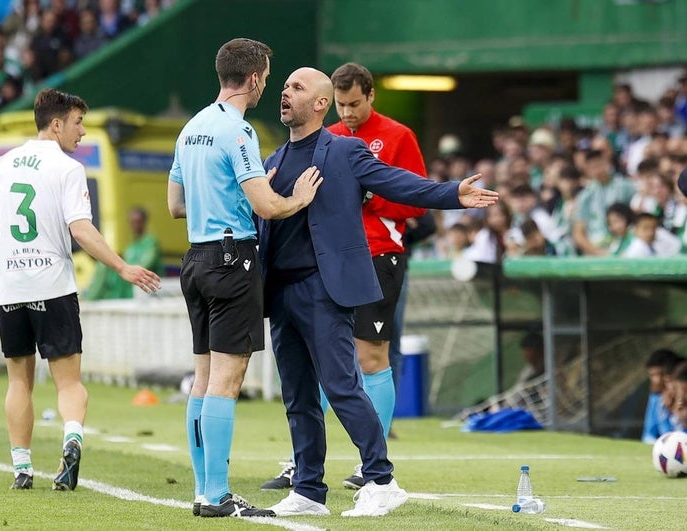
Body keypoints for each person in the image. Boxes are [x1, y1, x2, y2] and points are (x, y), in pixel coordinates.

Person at [260, 67, 498, 517]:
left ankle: (381, 479)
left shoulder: (346, 151)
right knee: (298, 396)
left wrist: (452, 193)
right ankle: (309, 488)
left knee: (342, 385)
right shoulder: (272, 159)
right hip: (282, 291)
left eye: (296, 87)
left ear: (320, 103)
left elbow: (398, 182)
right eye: (285, 86)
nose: (285, 93)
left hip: (323, 287)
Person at [166, 38, 322, 519]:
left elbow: (174, 205)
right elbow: (264, 203)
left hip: (195, 259)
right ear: (253, 78)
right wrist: (297, 198)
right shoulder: (239, 131)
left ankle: (201, 489)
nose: (268, 86)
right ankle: (216, 496)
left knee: (203, 379)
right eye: (268, 77)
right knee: (226, 382)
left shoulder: (191, 128)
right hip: (232, 260)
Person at [0, 88, 161, 491]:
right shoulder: (67, 168)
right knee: (69, 383)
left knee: (17, 381)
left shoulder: (2, 165)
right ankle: (72, 437)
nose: (81, 132)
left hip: (9, 287)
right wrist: (122, 266)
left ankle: (22, 468)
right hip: (52, 285)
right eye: (78, 123)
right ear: (56, 123)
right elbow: (81, 229)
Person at [261, 62, 431, 491]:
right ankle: (306, 476)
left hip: (376, 256)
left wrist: (369, 195)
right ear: (330, 103)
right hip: (311, 270)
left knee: (368, 361)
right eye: (342, 104)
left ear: (370, 96)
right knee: (310, 380)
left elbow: (410, 196)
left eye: (355, 103)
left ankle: (373, 470)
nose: (349, 111)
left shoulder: (393, 137)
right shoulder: (307, 147)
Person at [83, 206, 163, 300]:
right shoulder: (131, 246)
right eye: (132, 222)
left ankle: (91, 298)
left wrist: (124, 267)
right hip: (129, 280)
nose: (135, 225)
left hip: (143, 283)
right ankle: (92, 297)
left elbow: (146, 264)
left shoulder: (152, 243)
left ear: (144, 222)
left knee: (105, 267)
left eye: (138, 222)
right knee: (103, 264)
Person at [641, 348, 680, 443]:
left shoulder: (682, 398)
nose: (657, 380)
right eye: (652, 375)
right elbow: (648, 434)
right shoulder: (656, 398)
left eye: (660, 374)